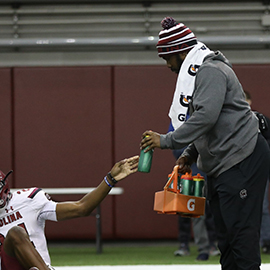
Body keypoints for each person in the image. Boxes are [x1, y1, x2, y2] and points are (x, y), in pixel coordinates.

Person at [140, 16, 270, 270]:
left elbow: (205, 117)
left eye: (167, 57)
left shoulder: (210, 70)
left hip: (242, 158)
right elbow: (210, 121)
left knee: (240, 235)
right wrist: (189, 153)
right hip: (224, 163)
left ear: (180, 52)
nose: (167, 65)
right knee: (226, 239)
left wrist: (166, 140)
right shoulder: (199, 73)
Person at [0, 155, 139, 270]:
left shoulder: (28, 200)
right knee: (14, 234)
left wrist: (110, 179)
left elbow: (82, 208)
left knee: (15, 233)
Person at [168, 124, 219, 261]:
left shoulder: (208, 113)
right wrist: (190, 153)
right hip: (190, 174)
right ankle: (201, 247)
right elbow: (175, 145)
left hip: (211, 171)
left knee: (212, 210)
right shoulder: (179, 116)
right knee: (194, 212)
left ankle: (214, 244)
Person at [245, 90, 270, 254]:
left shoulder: (261, 120)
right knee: (243, 207)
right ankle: (246, 242)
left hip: (260, 169)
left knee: (262, 206)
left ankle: (266, 241)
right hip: (242, 170)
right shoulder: (231, 124)